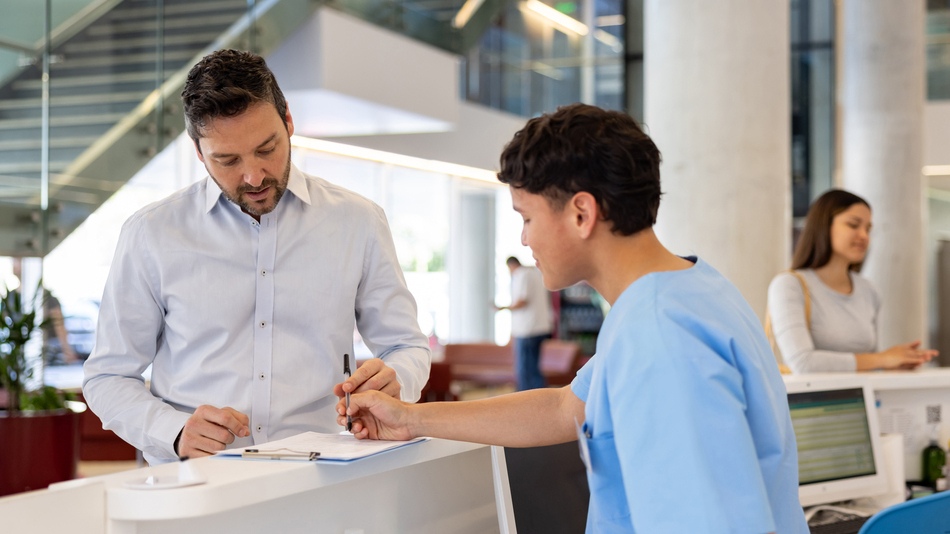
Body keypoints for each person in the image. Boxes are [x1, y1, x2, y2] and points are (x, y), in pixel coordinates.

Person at [338, 103, 808, 532]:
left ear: (582, 213)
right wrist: (410, 418)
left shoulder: (659, 337)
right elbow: (567, 407)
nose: (524, 240)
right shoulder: (686, 294)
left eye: (526, 217)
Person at [82, 49, 430, 464]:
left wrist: (397, 378)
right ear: (198, 152)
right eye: (227, 160)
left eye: (267, 149)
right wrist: (171, 431)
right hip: (194, 484)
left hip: (320, 476)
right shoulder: (151, 234)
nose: (253, 176)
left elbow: (406, 345)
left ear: (289, 123)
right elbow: (108, 376)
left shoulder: (358, 221)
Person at [766, 189, 937, 374]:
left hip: (862, 401)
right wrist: (882, 359)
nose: (864, 236)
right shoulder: (789, 285)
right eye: (853, 225)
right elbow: (803, 363)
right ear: (823, 225)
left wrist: (890, 365)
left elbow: (868, 365)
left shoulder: (868, 290)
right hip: (812, 402)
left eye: (868, 229)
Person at [497, 256, 553, 390]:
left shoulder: (522, 274)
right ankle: (538, 398)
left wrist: (503, 308)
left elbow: (522, 300)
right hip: (541, 327)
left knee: (525, 370)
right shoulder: (537, 273)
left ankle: (526, 399)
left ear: (511, 265)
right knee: (534, 367)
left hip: (527, 330)